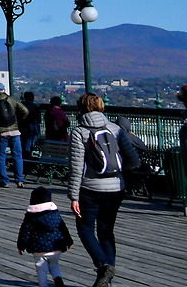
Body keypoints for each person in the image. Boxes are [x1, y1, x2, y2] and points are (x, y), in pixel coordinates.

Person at [68, 92, 139, 287]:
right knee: (106, 231)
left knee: (85, 229)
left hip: (90, 188)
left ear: (81, 108)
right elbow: (134, 160)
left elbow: (76, 167)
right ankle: (107, 278)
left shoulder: (79, 132)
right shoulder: (116, 129)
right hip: (116, 187)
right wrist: (119, 172)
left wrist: (73, 196)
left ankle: (103, 266)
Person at [17, 186, 73, 287]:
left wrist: (21, 245)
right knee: (54, 265)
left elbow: (25, 231)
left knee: (41, 268)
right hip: (56, 247)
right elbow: (63, 227)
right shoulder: (55, 213)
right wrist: (69, 241)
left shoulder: (31, 215)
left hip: (39, 248)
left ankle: (43, 285)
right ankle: (57, 278)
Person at [0, 83, 30, 189]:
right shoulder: (12, 99)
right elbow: (25, 111)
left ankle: (4, 181)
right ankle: (19, 180)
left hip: (1, 133)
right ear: (4, 90)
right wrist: (19, 121)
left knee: (1, 156)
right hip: (15, 131)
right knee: (17, 156)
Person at [20, 91, 41, 158]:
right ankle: (27, 155)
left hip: (21, 128)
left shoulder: (20, 106)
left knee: (22, 143)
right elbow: (39, 120)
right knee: (29, 143)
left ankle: (23, 156)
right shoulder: (35, 107)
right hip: (31, 129)